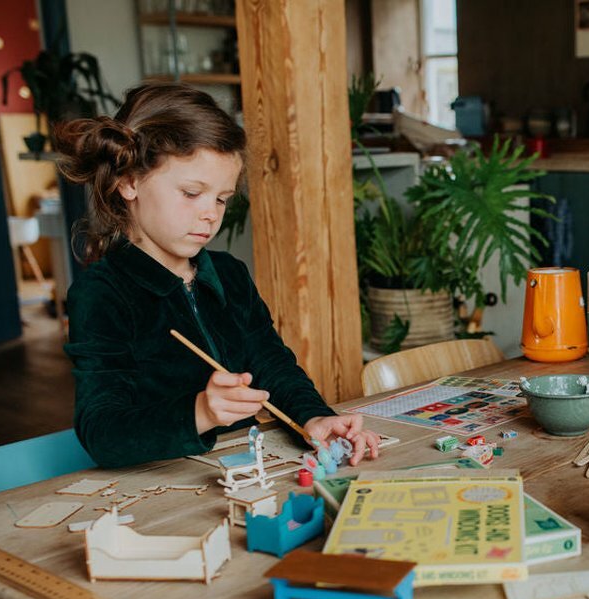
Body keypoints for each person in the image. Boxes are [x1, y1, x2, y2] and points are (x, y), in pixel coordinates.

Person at [56, 83, 382, 469]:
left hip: (243, 470)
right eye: (192, 193)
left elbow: (272, 364)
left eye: (222, 198)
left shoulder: (229, 274)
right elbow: (103, 433)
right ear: (128, 182)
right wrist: (200, 412)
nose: (211, 213)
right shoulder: (102, 293)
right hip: (158, 488)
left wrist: (315, 417)